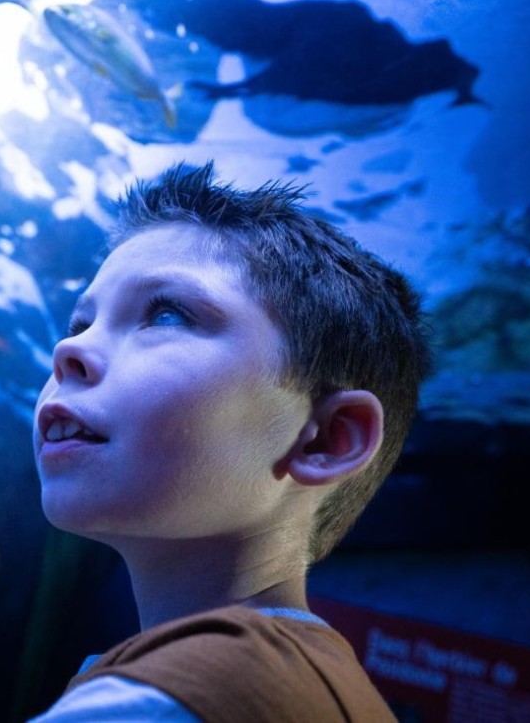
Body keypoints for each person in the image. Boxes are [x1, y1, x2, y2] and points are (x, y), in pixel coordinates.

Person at [30, 162, 432, 722]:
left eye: (165, 313)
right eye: (80, 326)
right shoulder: (328, 688)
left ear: (326, 439)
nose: (66, 352)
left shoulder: (179, 698)